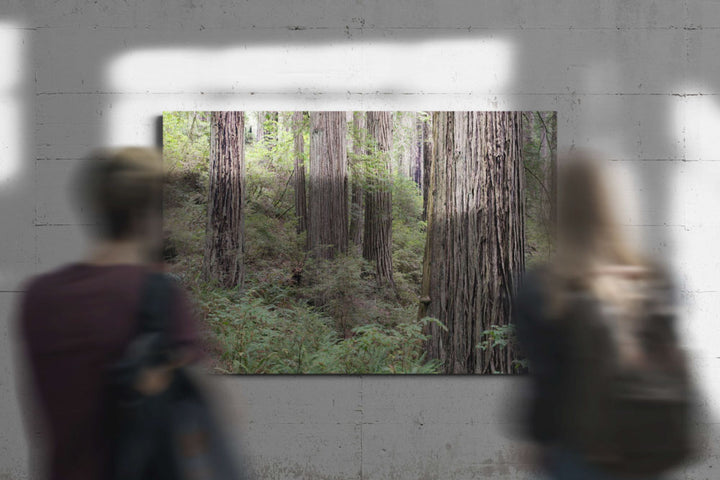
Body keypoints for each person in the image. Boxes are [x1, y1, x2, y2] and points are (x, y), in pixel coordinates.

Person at [16, 147, 200, 480]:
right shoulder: (159, 296)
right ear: (144, 216)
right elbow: (199, 433)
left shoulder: (38, 296)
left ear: (98, 208)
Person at [514, 152, 694, 480]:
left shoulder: (544, 288)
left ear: (557, 209)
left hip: (580, 452)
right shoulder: (655, 277)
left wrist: (537, 439)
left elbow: (546, 384)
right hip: (648, 444)